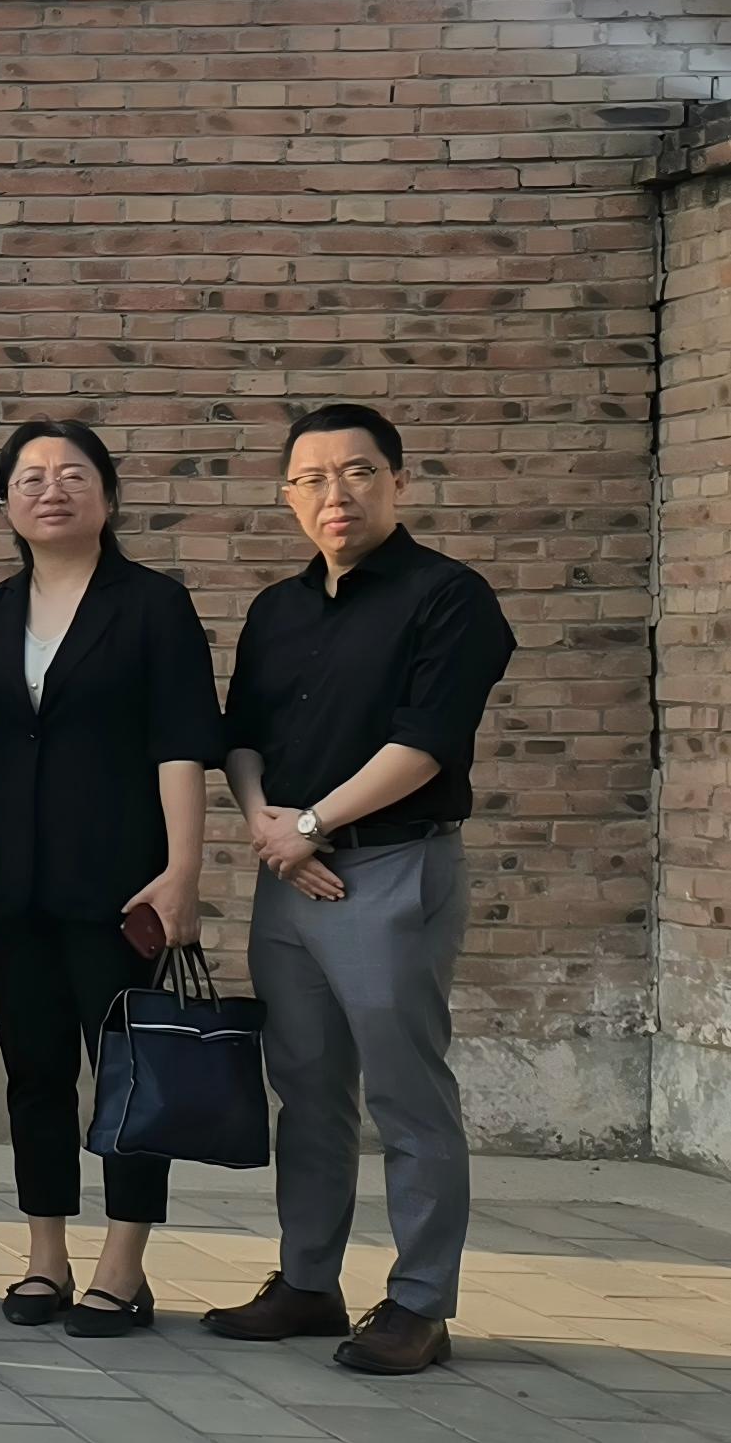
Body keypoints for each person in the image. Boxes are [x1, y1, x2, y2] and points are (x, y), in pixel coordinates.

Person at [202, 403, 514, 1378]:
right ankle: (307, 1279)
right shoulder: (276, 609)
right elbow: (240, 734)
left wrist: (307, 825)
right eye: (312, 477)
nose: (334, 493)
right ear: (287, 494)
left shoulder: (449, 595)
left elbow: (427, 742)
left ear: (398, 481)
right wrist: (268, 823)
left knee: (405, 1091)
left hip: (389, 867)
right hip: (287, 874)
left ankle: (420, 1301)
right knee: (305, 1087)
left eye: (358, 471)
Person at [0, 419, 221, 1339]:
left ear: (108, 495)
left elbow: (180, 746)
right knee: (34, 1073)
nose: (50, 490)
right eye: (29, 477)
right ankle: (44, 1254)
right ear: (3, 501)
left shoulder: (153, 604)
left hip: (120, 886)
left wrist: (181, 870)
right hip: (13, 885)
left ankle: (122, 1267)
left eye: (72, 474)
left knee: (129, 1076)